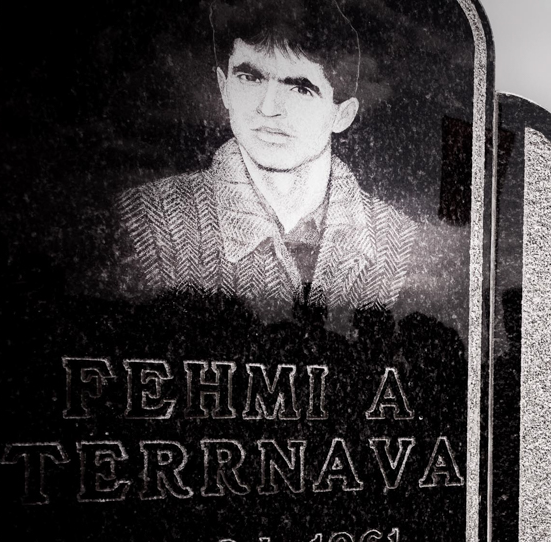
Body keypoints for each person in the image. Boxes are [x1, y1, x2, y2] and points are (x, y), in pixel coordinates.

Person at [115, 0, 417, 312]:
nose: (268, 107)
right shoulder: (144, 217)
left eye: (300, 89)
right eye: (250, 78)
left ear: (342, 115)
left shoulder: (402, 238)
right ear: (224, 88)